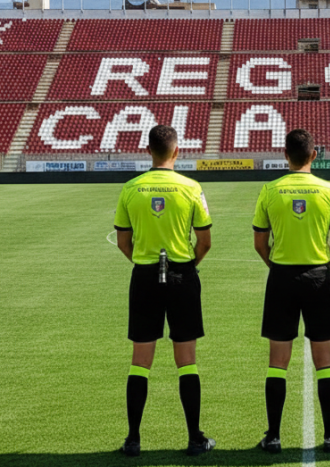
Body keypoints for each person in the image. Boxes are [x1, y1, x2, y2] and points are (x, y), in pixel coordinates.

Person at [112, 125, 215, 457]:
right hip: (182, 275)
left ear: (148, 151)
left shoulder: (131, 188)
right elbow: (205, 241)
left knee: (140, 362)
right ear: (177, 151)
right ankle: (195, 439)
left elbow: (123, 242)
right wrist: (187, 266)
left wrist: (144, 263)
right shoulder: (191, 187)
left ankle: (133, 440)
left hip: (144, 276)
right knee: (187, 362)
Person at [252, 129, 330, 454]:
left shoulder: (270, 189)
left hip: (281, 277)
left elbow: (260, 243)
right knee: (325, 359)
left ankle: (273, 436)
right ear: (314, 155)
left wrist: (277, 266)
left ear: (285, 155)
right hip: (319, 276)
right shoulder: (329, 190)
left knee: (277, 361)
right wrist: (323, 265)